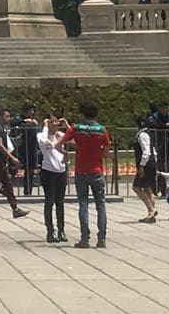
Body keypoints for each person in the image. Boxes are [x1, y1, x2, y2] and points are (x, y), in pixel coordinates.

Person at [62, 102, 111, 249]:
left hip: (81, 170)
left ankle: (84, 238)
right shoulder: (101, 129)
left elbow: (64, 139)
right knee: (100, 205)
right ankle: (101, 238)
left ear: (83, 114)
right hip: (96, 170)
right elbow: (106, 151)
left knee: (83, 204)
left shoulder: (77, 128)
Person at [37, 114, 68, 243]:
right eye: (52, 122)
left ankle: (61, 230)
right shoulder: (41, 135)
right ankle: (50, 230)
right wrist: (45, 126)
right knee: (49, 201)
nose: (55, 124)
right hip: (48, 172)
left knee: (60, 202)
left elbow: (75, 139)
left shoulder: (60, 135)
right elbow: (44, 141)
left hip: (61, 171)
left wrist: (67, 126)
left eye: (56, 121)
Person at [147, 101, 169, 195]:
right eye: (163, 108)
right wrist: (166, 125)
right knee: (159, 166)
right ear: (159, 108)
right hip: (158, 144)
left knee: (168, 166)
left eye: (166, 108)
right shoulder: (154, 117)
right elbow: (154, 126)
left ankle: (166, 187)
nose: (165, 110)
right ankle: (158, 188)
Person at [132, 117, 158, 224]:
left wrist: (142, 166)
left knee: (136, 187)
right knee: (147, 188)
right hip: (150, 163)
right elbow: (154, 151)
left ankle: (151, 209)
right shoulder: (148, 133)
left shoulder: (142, 135)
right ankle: (150, 214)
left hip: (146, 164)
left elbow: (146, 151)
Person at [12, 104, 41, 195]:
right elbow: (12, 122)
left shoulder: (33, 120)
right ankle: (5, 188)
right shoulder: (19, 119)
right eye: (31, 110)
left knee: (30, 169)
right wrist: (24, 121)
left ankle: (28, 190)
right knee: (13, 168)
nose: (32, 112)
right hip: (21, 147)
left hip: (31, 148)